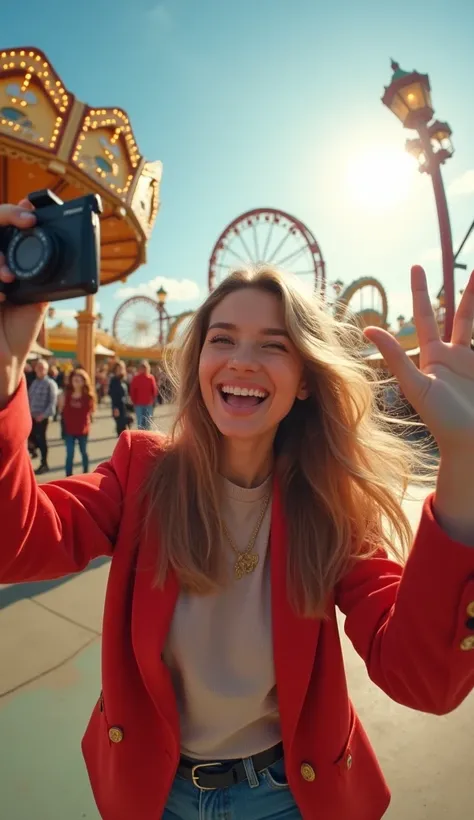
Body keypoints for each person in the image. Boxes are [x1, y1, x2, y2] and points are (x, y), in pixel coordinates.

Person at [0, 203, 474, 820]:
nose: (242, 360)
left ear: (305, 379)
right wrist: (6, 369)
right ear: (199, 363)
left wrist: (464, 463)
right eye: (222, 339)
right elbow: (17, 541)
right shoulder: (140, 472)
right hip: (155, 790)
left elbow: (421, 679)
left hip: (286, 794)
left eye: (272, 346)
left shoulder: (331, 506)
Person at [58, 367, 95, 476]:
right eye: (74, 380)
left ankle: (86, 474)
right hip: (69, 430)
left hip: (83, 430)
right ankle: (68, 476)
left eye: (79, 380)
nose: (76, 382)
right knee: (70, 454)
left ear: (84, 382)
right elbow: (61, 409)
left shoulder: (88, 397)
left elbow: (91, 411)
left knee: (83, 452)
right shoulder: (66, 395)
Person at [27, 356, 58, 475]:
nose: (40, 370)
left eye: (42, 368)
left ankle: (44, 463)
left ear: (46, 369)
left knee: (42, 440)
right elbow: (29, 399)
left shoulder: (50, 383)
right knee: (32, 440)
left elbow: (52, 403)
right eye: (38, 368)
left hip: (42, 418)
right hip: (32, 417)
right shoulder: (34, 383)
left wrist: (43, 415)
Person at [129, 359, 157, 430]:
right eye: (142, 367)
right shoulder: (136, 378)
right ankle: (141, 437)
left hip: (148, 404)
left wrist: (154, 401)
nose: (143, 369)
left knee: (148, 422)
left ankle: (147, 436)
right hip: (139, 404)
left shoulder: (151, 378)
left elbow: (154, 390)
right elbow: (132, 391)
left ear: (148, 368)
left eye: (145, 367)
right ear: (139, 368)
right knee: (140, 422)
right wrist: (134, 401)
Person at [108, 360, 133, 436]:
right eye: (118, 369)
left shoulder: (124, 380)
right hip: (118, 407)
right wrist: (115, 408)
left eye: (121, 368)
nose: (120, 370)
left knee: (127, 429)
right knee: (122, 431)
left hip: (126, 407)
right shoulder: (114, 381)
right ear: (115, 370)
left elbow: (127, 393)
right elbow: (112, 395)